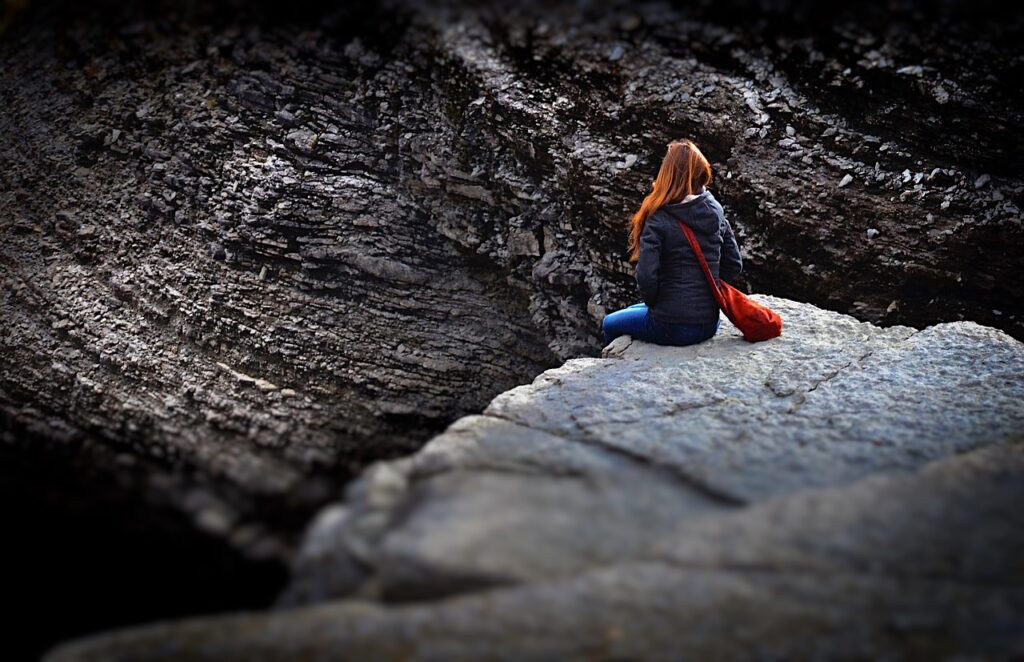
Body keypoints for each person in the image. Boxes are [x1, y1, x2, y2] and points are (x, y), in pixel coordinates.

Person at [601, 139, 743, 347]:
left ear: (667, 175)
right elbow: (734, 265)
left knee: (609, 323)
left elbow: (646, 277)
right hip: (708, 323)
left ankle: (614, 363)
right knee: (632, 310)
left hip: (672, 326)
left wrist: (661, 306)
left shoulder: (659, 217)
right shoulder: (715, 210)